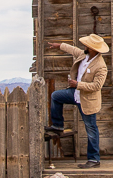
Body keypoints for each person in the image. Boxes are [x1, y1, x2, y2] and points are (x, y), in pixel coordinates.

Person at [44, 34, 109, 168]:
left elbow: (96, 86)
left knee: (91, 129)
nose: (84, 46)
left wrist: (77, 84)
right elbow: (72, 49)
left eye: (86, 45)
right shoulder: (83, 55)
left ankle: (94, 159)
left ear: (91, 48)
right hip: (75, 94)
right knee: (56, 96)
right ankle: (57, 125)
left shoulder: (101, 66)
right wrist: (59, 46)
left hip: (87, 100)